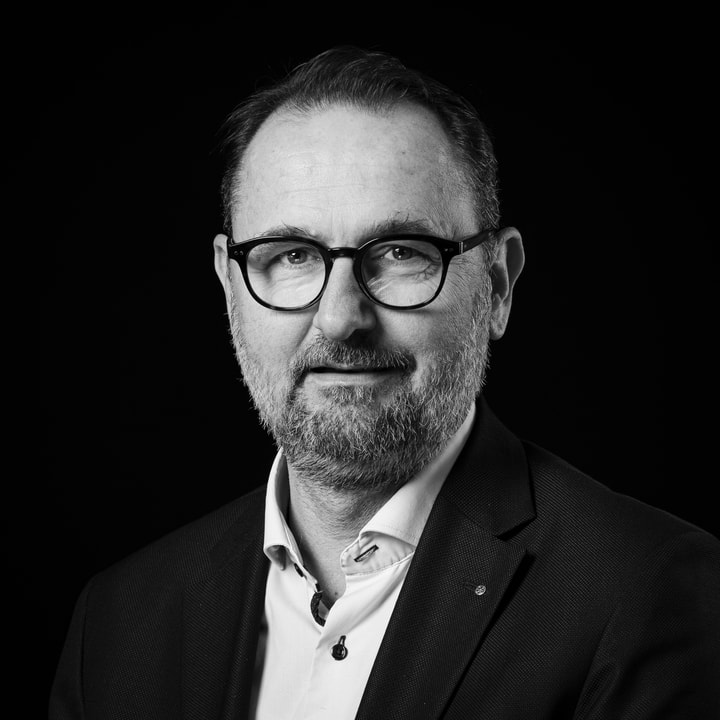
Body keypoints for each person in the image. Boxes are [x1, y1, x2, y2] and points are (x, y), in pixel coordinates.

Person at [49, 46, 720, 720]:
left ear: (497, 285)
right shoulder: (117, 624)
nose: (341, 318)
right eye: (292, 256)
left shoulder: (644, 592)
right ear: (230, 288)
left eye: (401, 253)